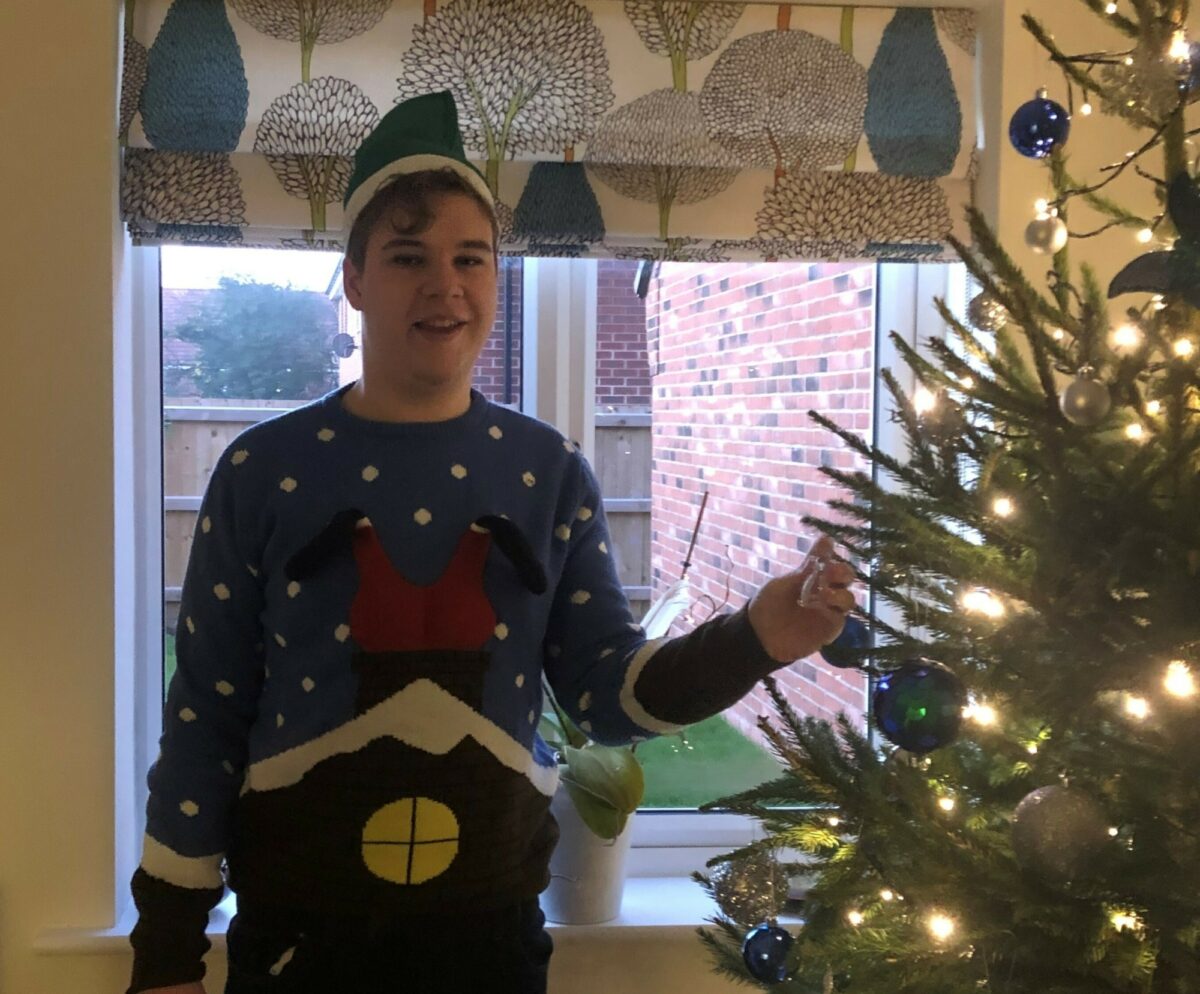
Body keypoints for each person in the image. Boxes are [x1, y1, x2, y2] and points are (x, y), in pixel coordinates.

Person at [128, 90, 855, 994]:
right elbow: (205, 718)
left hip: (489, 939)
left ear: (495, 276)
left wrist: (756, 638)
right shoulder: (260, 470)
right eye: (408, 257)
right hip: (297, 933)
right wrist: (166, 953)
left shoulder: (546, 471)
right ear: (354, 279)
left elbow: (605, 697)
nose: (446, 284)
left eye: (470, 258)